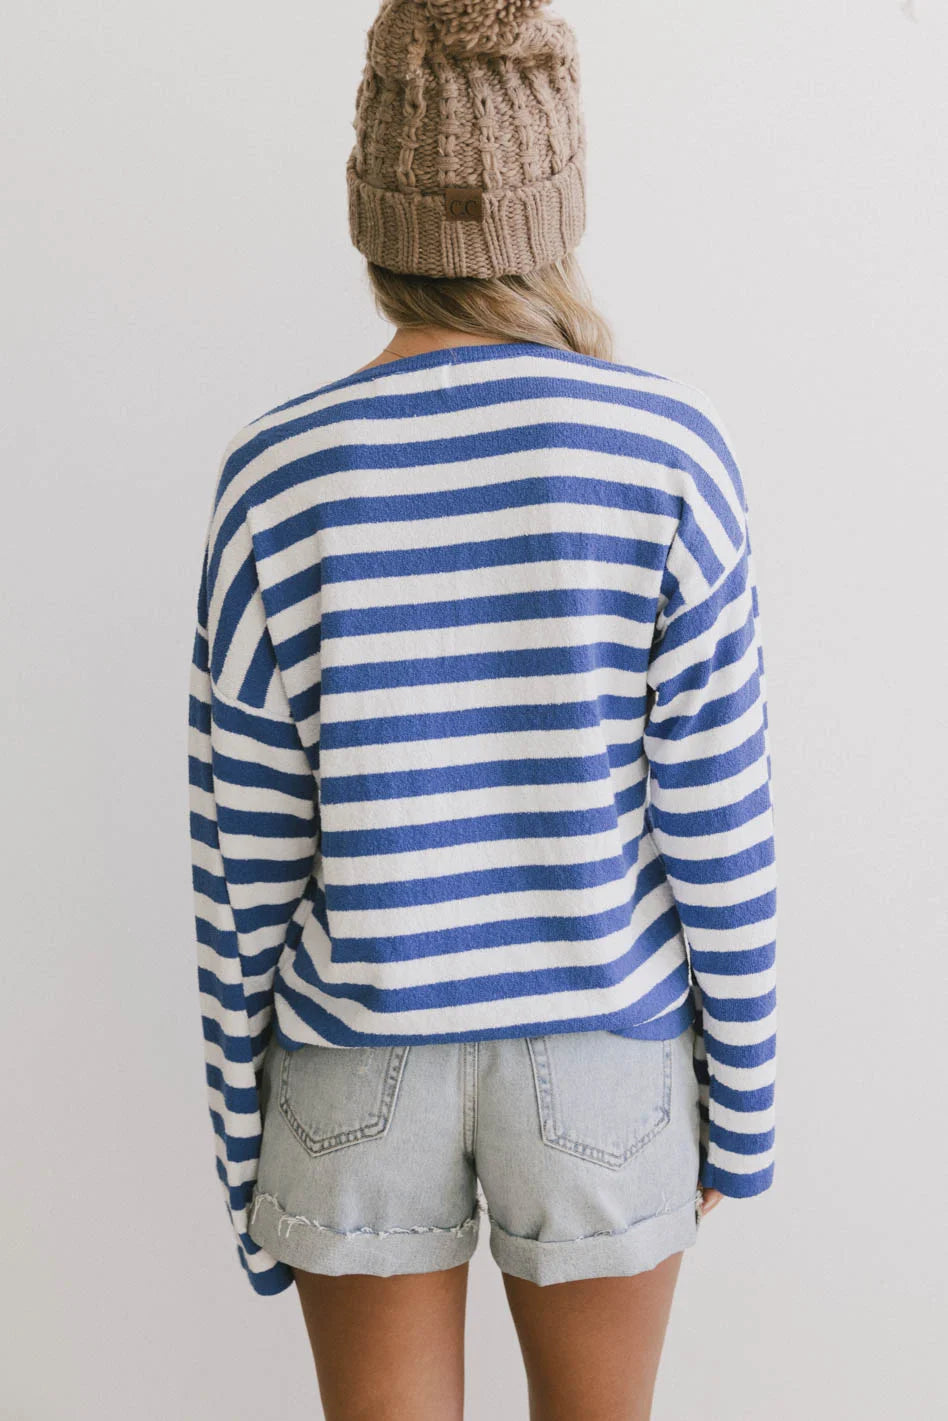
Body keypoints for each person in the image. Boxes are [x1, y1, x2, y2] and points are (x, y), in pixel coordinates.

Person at [186, 2, 778, 1416]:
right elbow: (719, 822)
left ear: (374, 211)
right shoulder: (668, 450)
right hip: (603, 1058)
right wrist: (744, 1105)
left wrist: (240, 1147)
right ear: (553, 207)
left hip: (352, 1060)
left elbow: (241, 866)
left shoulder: (276, 472)